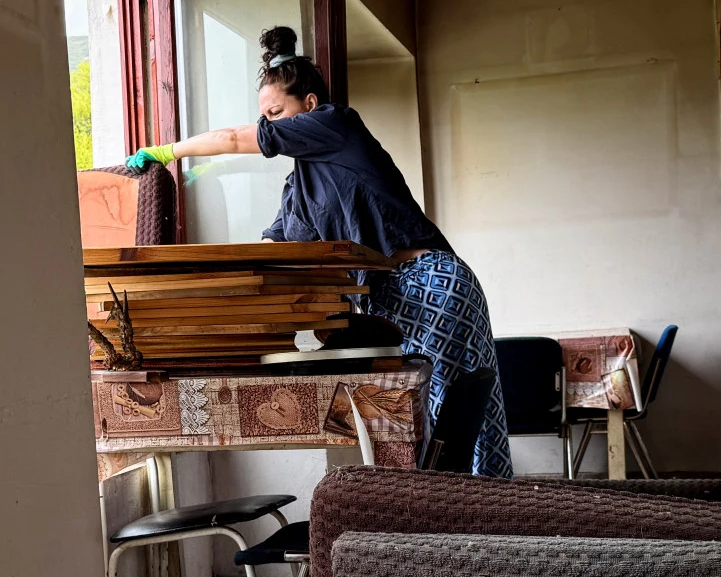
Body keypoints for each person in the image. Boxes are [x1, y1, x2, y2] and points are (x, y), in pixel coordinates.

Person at [125, 26, 512, 478]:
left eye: (276, 114)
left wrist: (166, 151)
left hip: (433, 284)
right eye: (264, 117)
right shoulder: (299, 187)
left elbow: (231, 138)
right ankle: (448, 520)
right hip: (391, 307)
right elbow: (273, 246)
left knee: (456, 426)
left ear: (309, 105)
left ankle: (487, 517)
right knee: (424, 434)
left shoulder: (338, 124)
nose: (270, 127)